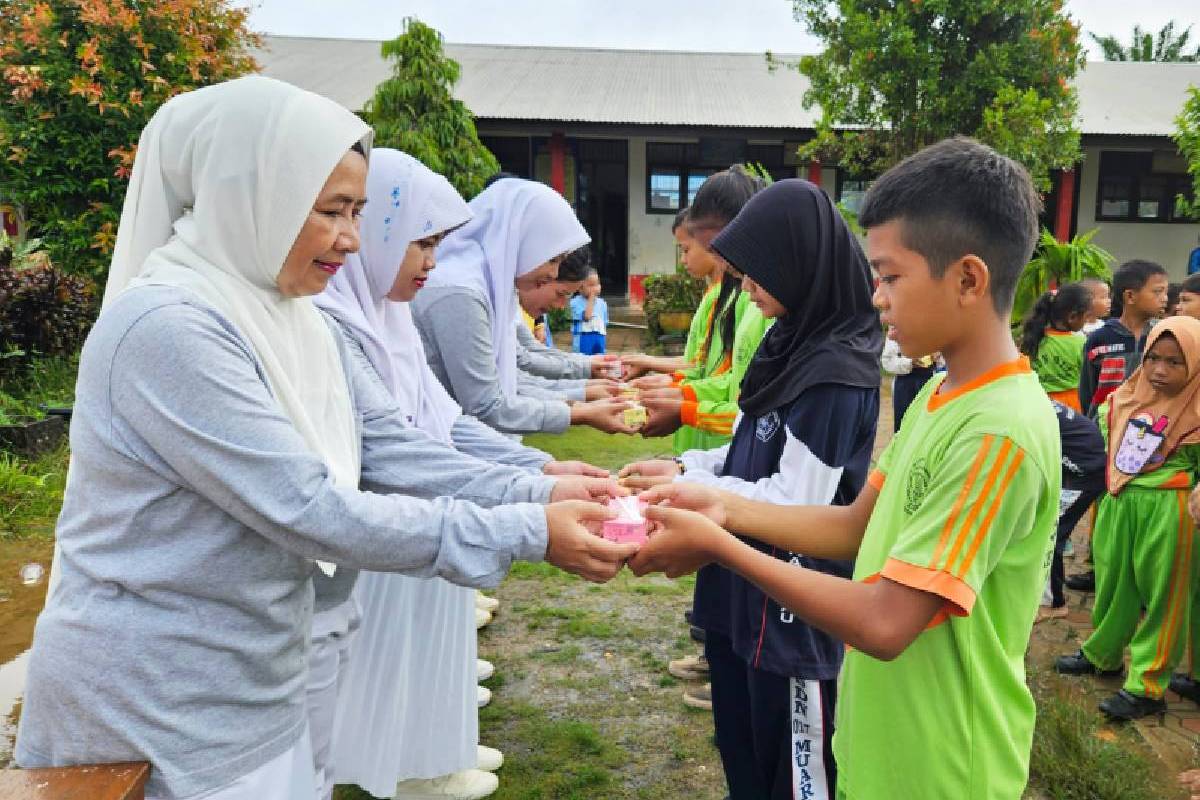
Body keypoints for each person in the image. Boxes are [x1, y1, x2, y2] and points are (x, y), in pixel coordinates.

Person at [14, 77, 635, 800]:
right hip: (161, 701)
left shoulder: (297, 316)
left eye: (360, 213)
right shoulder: (170, 329)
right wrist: (530, 528)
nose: (351, 237)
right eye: (332, 211)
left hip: (257, 680)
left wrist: (541, 486)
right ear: (253, 194)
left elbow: (387, 442)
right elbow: (309, 507)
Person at [630, 137, 1059, 800]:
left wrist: (719, 544)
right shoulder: (943, 397)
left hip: (940, 766)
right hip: (882, 744)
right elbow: (856, 526)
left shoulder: (999, 432)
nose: (877, 297)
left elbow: (887, 623)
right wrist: (715, 505)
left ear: (968, 280)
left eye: (890, 276)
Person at [314, 149, 611, 799]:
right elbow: (397, 446)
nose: (431, 261)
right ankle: (409, 763)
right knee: (387, 648)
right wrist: (539, 492)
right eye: (420, 243)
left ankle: (427, 751)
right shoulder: (338, 320)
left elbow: (443, 419)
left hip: (430, 498)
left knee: (429, 632)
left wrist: (544, 467)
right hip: (395, 510)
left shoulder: (386, 311)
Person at [620, 179, 882, 799]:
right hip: (742, 582)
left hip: (791, 606)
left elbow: (798, 501)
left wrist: (702, 512)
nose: (748, 288)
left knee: (792, 772)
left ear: (800, 263)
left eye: (759, 274)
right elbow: (746, 443)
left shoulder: (837, 372)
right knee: (740, 749)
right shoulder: (786, 343)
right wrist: (684, 473)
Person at [1055, 317, 1200, 720]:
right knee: (1114, 582)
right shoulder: (1123, 399)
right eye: (1153, 357)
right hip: (1118, 502)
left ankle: (1147, 685)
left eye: (1175, 362)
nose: (1159, 370)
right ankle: (1103, 654)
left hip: (1170, 510)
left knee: (1164, 598)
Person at [412, 178, 632, 436]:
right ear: (521, 239)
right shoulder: (460, 292)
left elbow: (509, 381)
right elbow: (486, 404)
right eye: (552, 259)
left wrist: (581, 392)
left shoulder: (491, 287)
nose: (553, 273)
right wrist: (578, 409)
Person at [631, 167, 771, 450]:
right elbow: (717, 375)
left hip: (723, 444)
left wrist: (683, 402)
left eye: (688, 248)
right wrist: (675, 391)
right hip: (711, 448)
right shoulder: (733, 296)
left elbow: (759, 415)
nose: (719, 258)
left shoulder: (758, 304)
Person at [1037, 401, 1106, 623]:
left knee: (1050, 533)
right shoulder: (1026, 397)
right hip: (1078, 463)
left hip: (1086, 471)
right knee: (1046, 526)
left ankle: (1053, 604)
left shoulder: (1017, 408)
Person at [1079, 259, 1168, 419]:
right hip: (1105, 425)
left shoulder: (1163, 335)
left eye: (1165, 292)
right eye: (1157, 292)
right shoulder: (1100, 338)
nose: (1164, 298)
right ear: (1130, 296)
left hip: (1148, 427)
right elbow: (1087, 391)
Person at [1019, 283, 1092, 412]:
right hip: (1072, 407)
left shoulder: (1032, 339)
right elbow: (1088, 377)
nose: (1086, 322)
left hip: (1037, 404)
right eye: (1086, 317)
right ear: (1072, 317)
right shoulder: (1080, 343)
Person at [881, 333, 937, 432]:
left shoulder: (936, 326)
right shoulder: (898, 325)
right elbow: (887, 361)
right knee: (903, 429)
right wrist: (910, 363)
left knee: (927, 429)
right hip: (905, 384)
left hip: (930, 382)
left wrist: (938, 355)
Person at [571, 267, 609, 354]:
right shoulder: (575, 302)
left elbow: (605, 324)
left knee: (600, 361)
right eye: (591, 285)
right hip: (583, 337)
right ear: (580, 288)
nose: (595, 288)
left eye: (597, 284)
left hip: (599, 337)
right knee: (583, 361)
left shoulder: (602, 303)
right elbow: (586, 317)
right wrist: (592, 297)